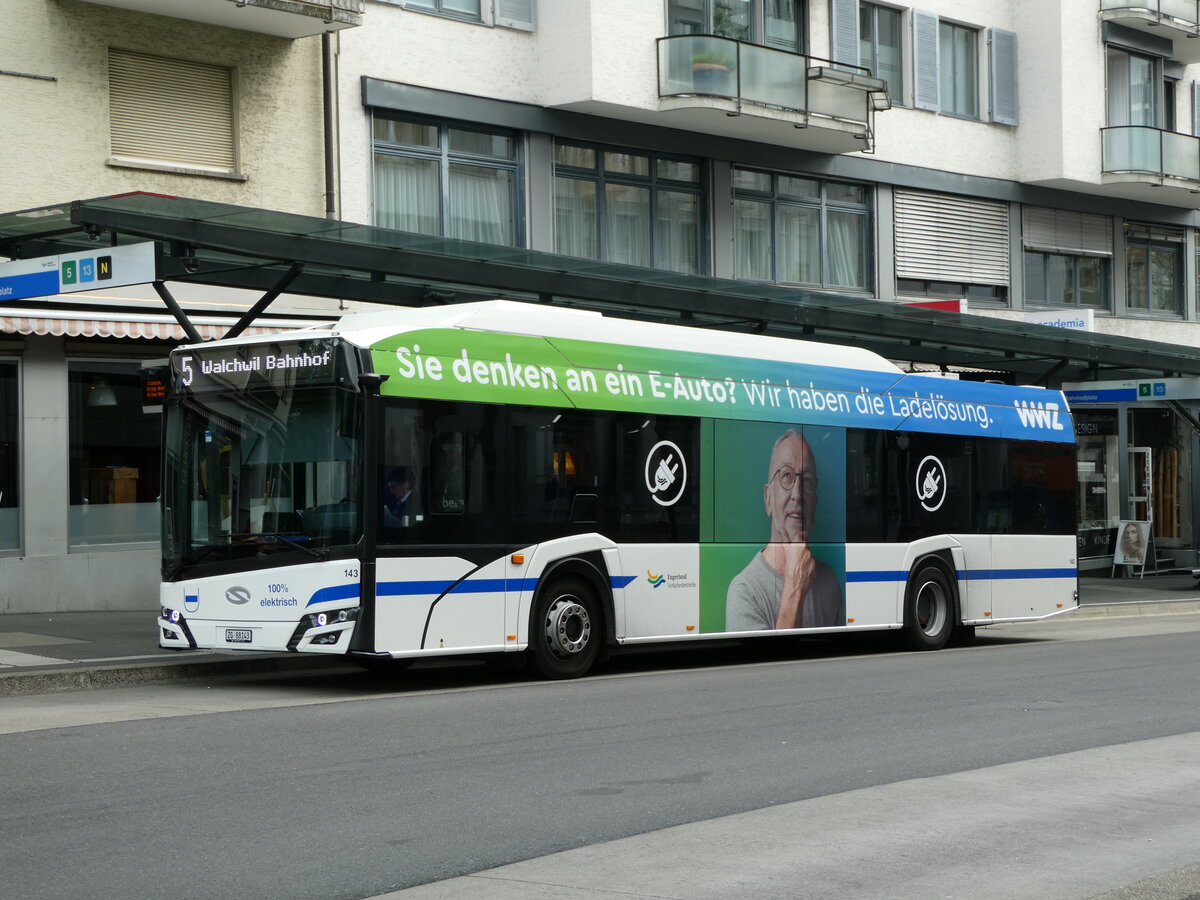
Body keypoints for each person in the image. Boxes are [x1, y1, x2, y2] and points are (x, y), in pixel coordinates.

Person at [726, 429, 843, 631]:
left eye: (806, 481)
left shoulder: (829, 581)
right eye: (786, 476)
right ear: (768, 498)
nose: (797, 494)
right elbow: (773, 662)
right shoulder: (745, 591)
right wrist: (795, 586)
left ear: (815, 501)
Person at [382, 466, 413, 531]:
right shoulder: (399, 501)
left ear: (406, 485)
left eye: (394, 486)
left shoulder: (413, 503)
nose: (391, 490)